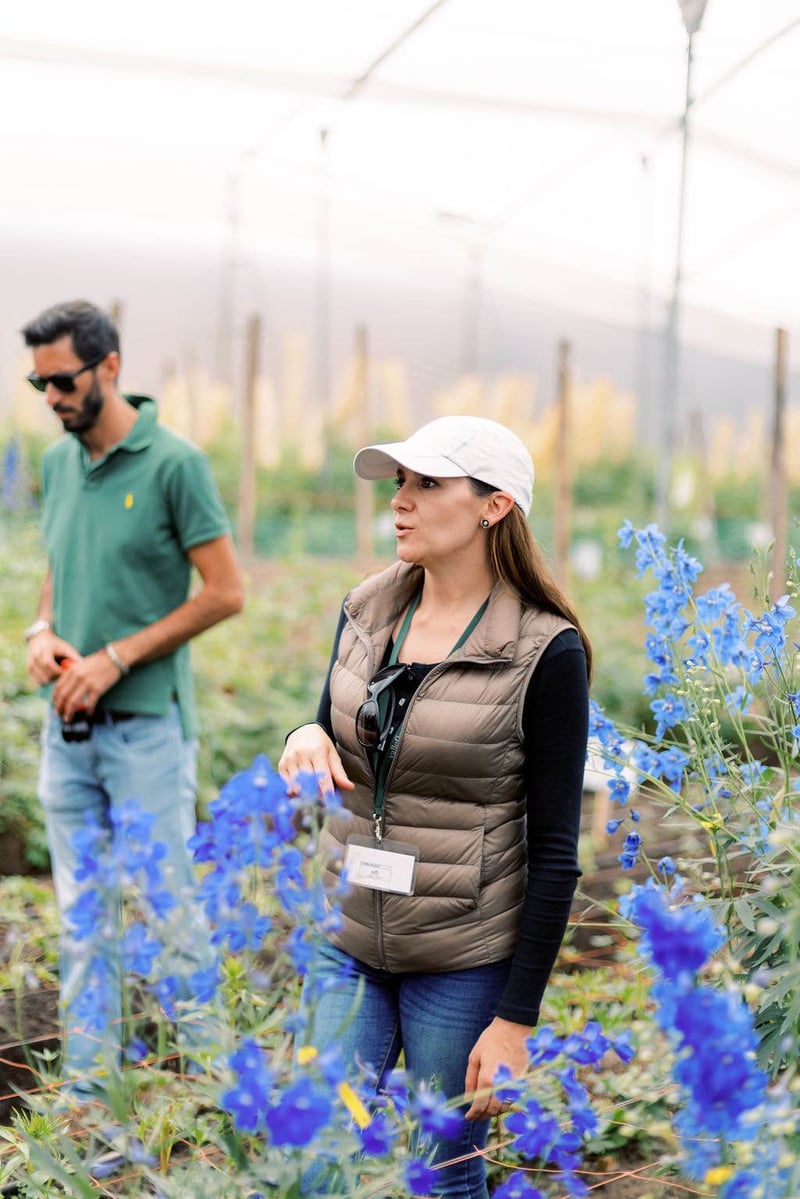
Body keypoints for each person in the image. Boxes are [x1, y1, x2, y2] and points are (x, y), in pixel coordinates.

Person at [279, 414, 591, 1199]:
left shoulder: (545, 652)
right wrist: (301, 734)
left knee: (444, 1179)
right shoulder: (367, 609)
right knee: (315, 1159)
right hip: (348, 932)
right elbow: (325, 722)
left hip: (461, 958)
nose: (402, 501)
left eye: (428, 483)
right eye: (399, 483)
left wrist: (515, 1020)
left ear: (493, 506)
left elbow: (555, 850)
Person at [21, 299, 244, 1100]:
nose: (51, 398)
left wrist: (117, 658)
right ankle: (92, 1107)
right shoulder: (55, 464)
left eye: (62, 380)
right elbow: (58, 558)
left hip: (148, 730)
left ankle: (228, 1100)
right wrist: (42, 630)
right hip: (67, 731)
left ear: (109, 367)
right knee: (85, 926)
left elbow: (225, 592)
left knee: (171, 916)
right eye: (39, 383)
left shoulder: (174, 464)